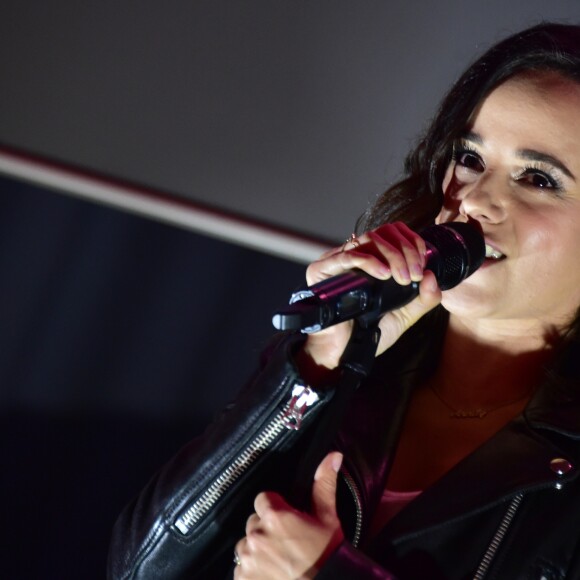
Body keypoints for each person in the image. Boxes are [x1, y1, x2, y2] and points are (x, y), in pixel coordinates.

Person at [108, 22, 580, 579]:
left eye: (539, 179)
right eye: (470, 160)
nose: (473, 200)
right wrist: (315, 368)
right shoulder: (350, 369)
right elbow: (139, 568)